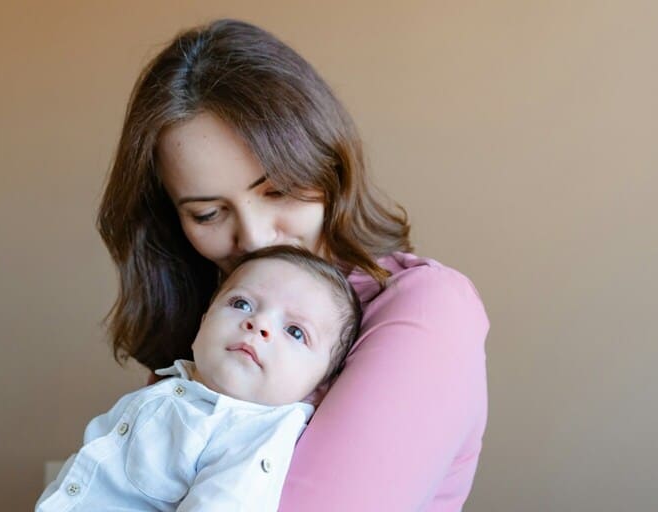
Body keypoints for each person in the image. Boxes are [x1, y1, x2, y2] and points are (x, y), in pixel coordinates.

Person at [96, 18, 489, 511]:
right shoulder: (220, 335)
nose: (256, 238)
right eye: (208, 213)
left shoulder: (427, 309)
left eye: (278, 190)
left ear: (328, 164)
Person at [36, 246, 362, 511]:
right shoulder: (176, 388)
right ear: (203, 323)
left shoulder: (255, 432)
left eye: (294, 331)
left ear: (319, 388)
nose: (259, 323)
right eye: (241, 303)